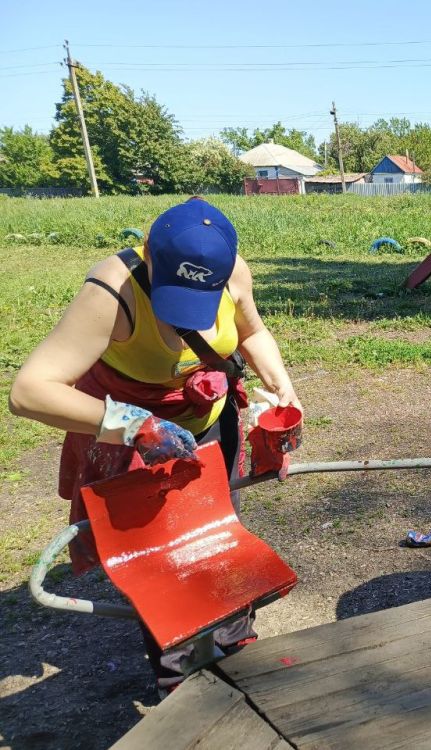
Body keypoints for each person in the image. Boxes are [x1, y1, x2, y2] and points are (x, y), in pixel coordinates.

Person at [8, 197, 301, 691]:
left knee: (217, 533)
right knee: (160, 554)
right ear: (148, 254)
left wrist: (282, 388)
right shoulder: (112, 291)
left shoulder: (231, 271)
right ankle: (180, 677)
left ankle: (234, 644)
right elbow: (29, 392)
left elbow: (252, 331)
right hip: (132, 434)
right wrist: (137, 427)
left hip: (209, 421)